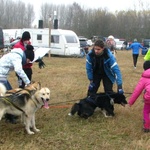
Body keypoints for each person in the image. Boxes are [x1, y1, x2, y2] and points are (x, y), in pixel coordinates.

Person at [0, 45, 35, 123]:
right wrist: (28, 82)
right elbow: (19, 70)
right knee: (9, 96)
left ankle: (10, 114)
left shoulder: (16, 54)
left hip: (2, 76)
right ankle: (9, 116)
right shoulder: (17, 57)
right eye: (28, 60)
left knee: (10, 94)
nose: (27, 62)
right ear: (26, 57)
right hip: (1, 76)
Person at [128, 61, 150, 132]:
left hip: (148, 98)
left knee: (146, 112)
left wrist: (131, 102)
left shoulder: (144, 78)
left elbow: (137, 91)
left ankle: (146, 127)